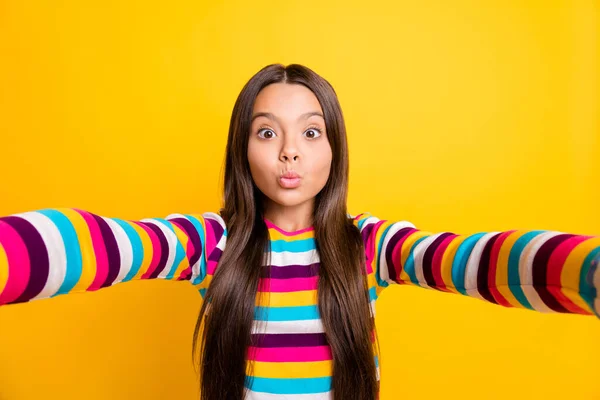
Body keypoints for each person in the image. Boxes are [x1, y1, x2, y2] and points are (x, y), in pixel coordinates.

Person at [0, 63, 598, 400]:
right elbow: (108, 245)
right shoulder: (214, 245)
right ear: (244, 151)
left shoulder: (370, 246)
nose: (290, 152)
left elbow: (480, 260)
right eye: (267, 132)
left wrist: (588, 272)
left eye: (311, 132)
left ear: (334, 149)